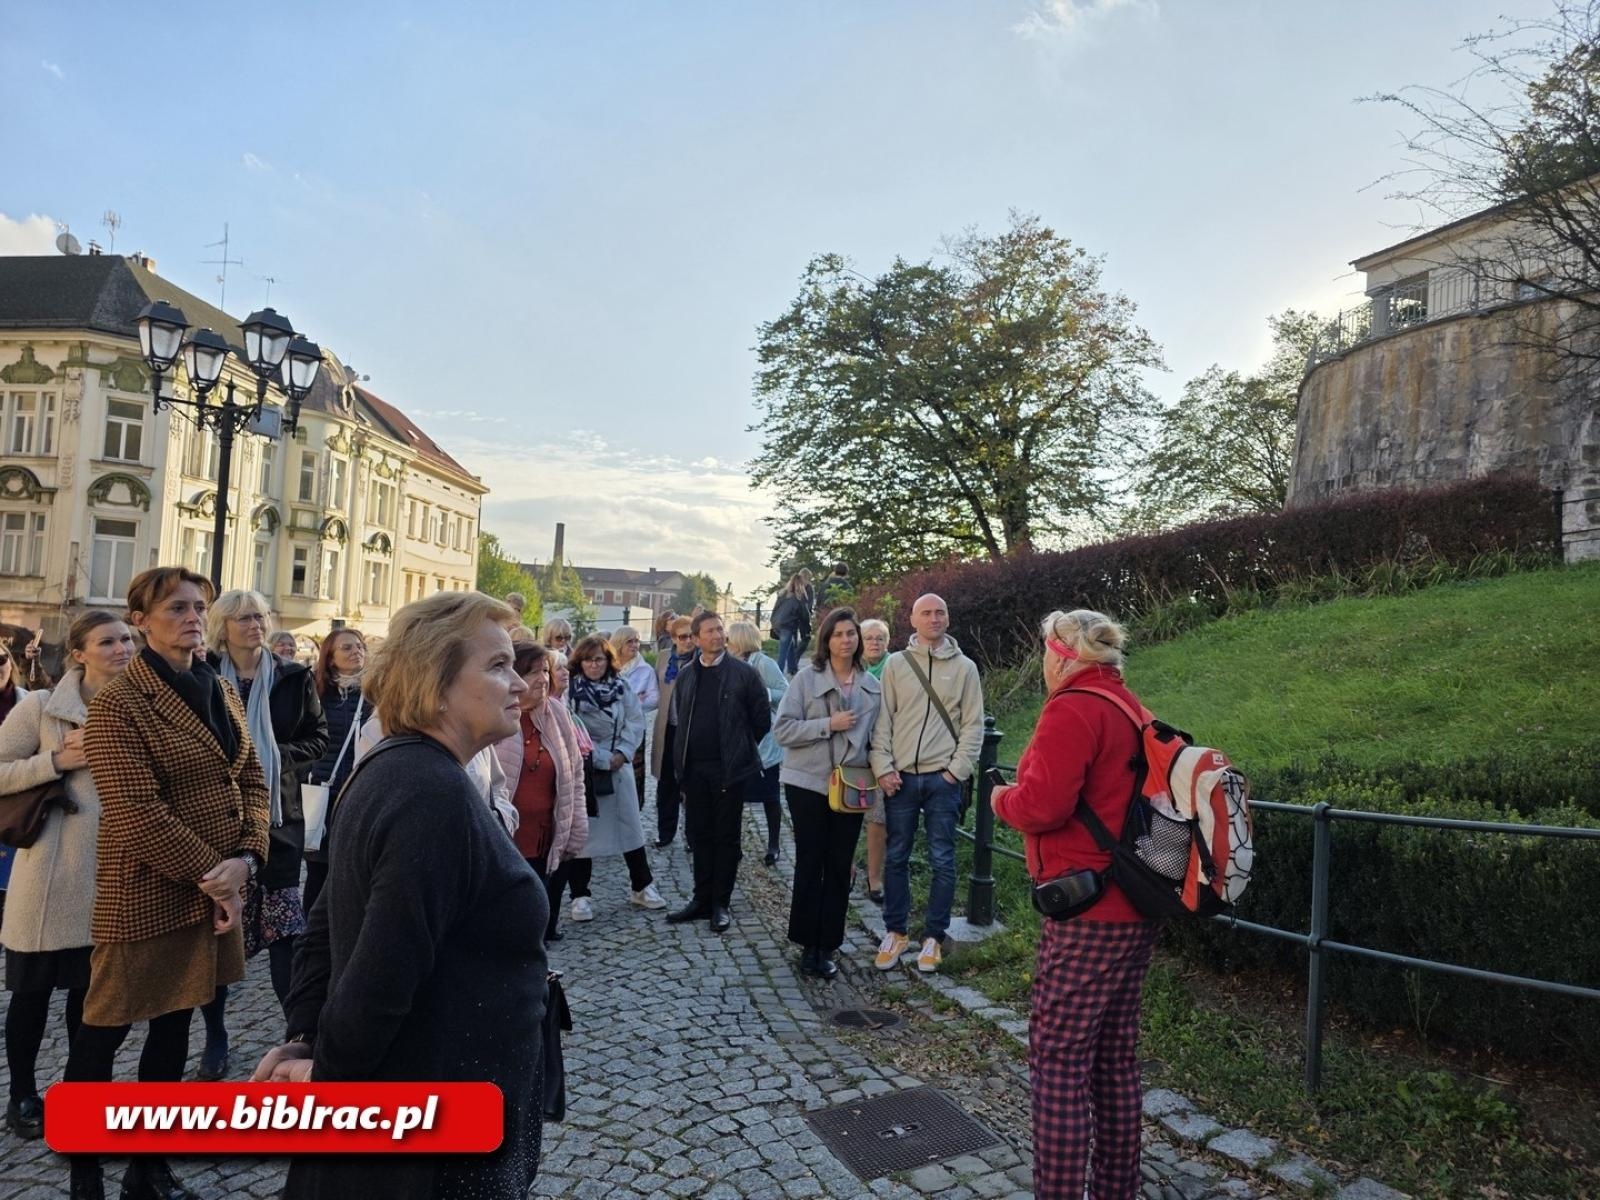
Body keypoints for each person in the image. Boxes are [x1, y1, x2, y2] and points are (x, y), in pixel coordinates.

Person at [254, 591, 546, 1200]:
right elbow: (381, 969)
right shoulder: (428, 791)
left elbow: (327, 925)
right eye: (497, 666)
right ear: (434, 683)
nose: (519, 684)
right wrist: (329, 1078)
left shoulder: (395, 766)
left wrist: (306, 1032)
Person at [70, 567, 271, 1200]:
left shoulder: (218, 687)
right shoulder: (119, 704)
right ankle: (84, 1170)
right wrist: (220, 879)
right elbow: (137, 812)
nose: (192, 617)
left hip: (216, 886)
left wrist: (248, 858)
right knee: (103, 1030)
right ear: (140, 619)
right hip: (148, 888)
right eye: (176, 607)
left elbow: (252, 782)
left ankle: (147, 1168)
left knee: (176, 1025)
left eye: (199, 607)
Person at [990, 609, 1157, 1200]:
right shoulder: (1130, 705)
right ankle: (1118, 1190)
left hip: (1088, 908)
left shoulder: (1072, 707)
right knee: (1113, 1060)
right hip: (1138, 900)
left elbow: (1041, 806)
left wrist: (999, 798)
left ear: (1060, 654)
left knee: (1057, 1061)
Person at [0, 611, 133, 1140]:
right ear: (79, 653)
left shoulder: (141, 708)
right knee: (30, 999)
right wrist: (54, 760)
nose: (122, 648)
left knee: (92, 1001)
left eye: (127, 638)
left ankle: (81, 1095)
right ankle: (22, 1095)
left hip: (112, 877)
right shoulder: (39, 707)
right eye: (108, 641)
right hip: (48, 880)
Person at [196, 591, 328, 1080]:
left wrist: (271, 758)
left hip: (278, 820)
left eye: (260, 616)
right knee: (219, 934)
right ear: (222, 626)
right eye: (245, 617)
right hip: (217, 821)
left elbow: (317, 738)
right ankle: (215, 1036)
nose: (256, 624)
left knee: (283, 934)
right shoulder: (202, 673)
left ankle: (296, 1034)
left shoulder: (293, 676)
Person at [870, 593, 985, 974]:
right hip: (900, 777)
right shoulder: (897, 665)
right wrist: (883, 767)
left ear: (947, 619)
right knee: (897, 855)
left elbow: (973, 724)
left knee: (942, 858)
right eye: (926, 613)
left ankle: (933, 936)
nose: (934, 618)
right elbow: (883, 719)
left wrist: (956, 771)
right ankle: (896, 931)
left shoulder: (965, 668)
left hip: (942, 779)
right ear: (913, 619)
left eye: (940, 612)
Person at [773, 608, 881, 980]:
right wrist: (827, 725)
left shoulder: (872, 687)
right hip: (808, 783)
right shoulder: (806, 679)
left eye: (851, 633)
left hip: (851, 786)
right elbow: (782, 731)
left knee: (839, 866)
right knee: (810, 862)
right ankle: (806, 942)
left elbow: (877, 740)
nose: (846, 640)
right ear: (826, 640)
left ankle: (828, 944)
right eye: (838, 634)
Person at [665, 612, 772, 933]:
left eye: (719, 630)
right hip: (694, 770)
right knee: (699, 834)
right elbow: (679, 721)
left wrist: (738, 747)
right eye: (709, 631)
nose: (716, 635)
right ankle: (701, 898)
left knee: (726, 837)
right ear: (696, 639)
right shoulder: (686, 675)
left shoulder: (743, 674)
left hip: (729, 770)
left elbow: (761, 720)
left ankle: (720, 903)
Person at [554, 633, 665, 921]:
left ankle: (642, 885)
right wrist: (597, 757)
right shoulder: (570, 692)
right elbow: (568, 729)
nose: (594, 665)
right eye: (589, 660)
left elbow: (635, 721)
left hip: (618, 767)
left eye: (599, 659)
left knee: (629, 827)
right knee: (584, 834)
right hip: (586, 769)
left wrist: (622, 753)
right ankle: (579, 895)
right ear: (580, 661)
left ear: (608, 661)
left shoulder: (621, 687)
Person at [492, 640, 588, 890]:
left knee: (547, 917)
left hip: (547, 845)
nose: (543, 679)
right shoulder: (493, 716)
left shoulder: (557, 714)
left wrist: (576, 829)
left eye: (545, 671)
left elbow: (575, 774)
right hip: (504, 846)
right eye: (533, 671)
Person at [302, 629, 369, 915]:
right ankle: (309, 931)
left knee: (350, 867)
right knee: (318, 869)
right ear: (330, 659)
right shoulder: (315, 692)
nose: (356, 652)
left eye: (359, 646)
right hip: (322, 790)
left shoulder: (374, 694)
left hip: (358, 789)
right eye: (347, 648)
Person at [725, 620, 786, 866]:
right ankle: (734, 845)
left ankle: (774, 844)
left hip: (763, 744)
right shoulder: (728, 665)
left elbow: (786, 692)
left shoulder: (764, 664)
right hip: (736, 742)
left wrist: (764, 693)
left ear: (740, 641)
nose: (725, 643)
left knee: (769, 796)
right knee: (734, 797)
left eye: (729, 639)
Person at [649, 617, 695, 849]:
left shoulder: (701, 658)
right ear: (674, 638)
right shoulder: (665, 657)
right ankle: (665, 832)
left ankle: (692, 836)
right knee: (666, 783)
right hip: (668, 726)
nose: (688, 641)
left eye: (691, 636)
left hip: (692, 729)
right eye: (682, 637)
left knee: (691, 784)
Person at [858, 618, 892, 904]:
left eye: (880, 638)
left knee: (877, 819)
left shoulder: (896, 668)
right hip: (852, 754)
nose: (874, 642)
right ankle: (844, 871)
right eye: (868, 637)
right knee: (844, 813)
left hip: (882, 753)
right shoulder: (851, 669)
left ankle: (874, 877)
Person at [610, 626, 658, 807]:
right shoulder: (609, 666)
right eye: (630, 641)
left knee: (634, 766)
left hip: (634, 725)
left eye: (637, 641)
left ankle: (634, 803)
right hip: (610, 725)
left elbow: (653, 699)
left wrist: (632, 704)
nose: (635, 645)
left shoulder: (645, 670)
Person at [771, 574, 811, 677]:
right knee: (783, 652)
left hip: (777, 623)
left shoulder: (783, 594)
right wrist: (807, 630)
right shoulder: (800, 597)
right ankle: (778, 674)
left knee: (790, 645)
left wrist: (773, 621)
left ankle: (793, 668)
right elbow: (805, 615)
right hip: (787, 625)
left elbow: (775, 609)